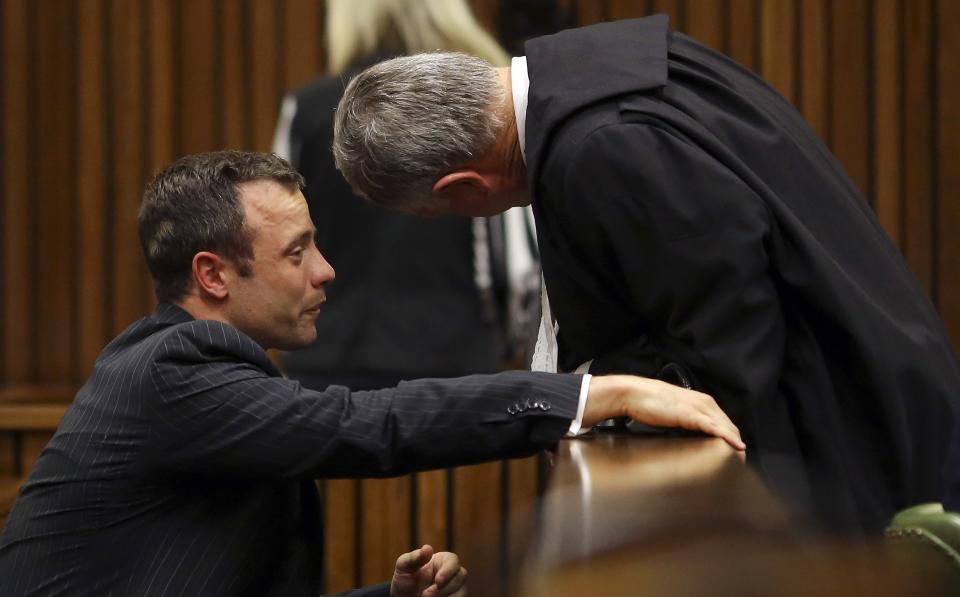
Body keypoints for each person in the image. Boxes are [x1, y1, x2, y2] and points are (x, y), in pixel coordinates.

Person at [0, 150, 742, 596]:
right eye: (297, 253)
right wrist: (593, 393)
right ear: (213, 275)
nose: (325, 271)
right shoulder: (174, 368)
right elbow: (367, 424)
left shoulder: (200, 375)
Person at [331, 15, 960, 533]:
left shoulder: (600, 148)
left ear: (464, 186)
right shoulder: (591, 66)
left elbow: (730, 329)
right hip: (888, 358)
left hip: (847, 428)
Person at [272, 0, 539, 391]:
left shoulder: (306, 109)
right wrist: (512, 340)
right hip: (455, 366)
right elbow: (515, 260)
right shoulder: (478, 107)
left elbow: (279, 233)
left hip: (326, 365)